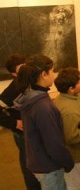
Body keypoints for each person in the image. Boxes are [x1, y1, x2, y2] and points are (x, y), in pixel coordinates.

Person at [14, 54, 74, 190]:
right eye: (52, 71)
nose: (54, 75)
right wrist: (68, 162)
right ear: (44, 74)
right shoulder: (42, 106)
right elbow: (53, 144)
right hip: (49, 168)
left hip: (38, 161)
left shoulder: (31, 96)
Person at [0, 53, 41, 190]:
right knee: (29, 165)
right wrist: (14, 123)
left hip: (34, 130)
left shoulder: (31, 82)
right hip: (22, 134)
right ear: (13, 73)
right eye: (21, 68)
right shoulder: (11, 90)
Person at [54, 67, 80, 190]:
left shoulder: (64, 99)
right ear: (71, 89)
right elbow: (72, 137)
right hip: (76, 158)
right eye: (79, 81)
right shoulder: (69, 110)